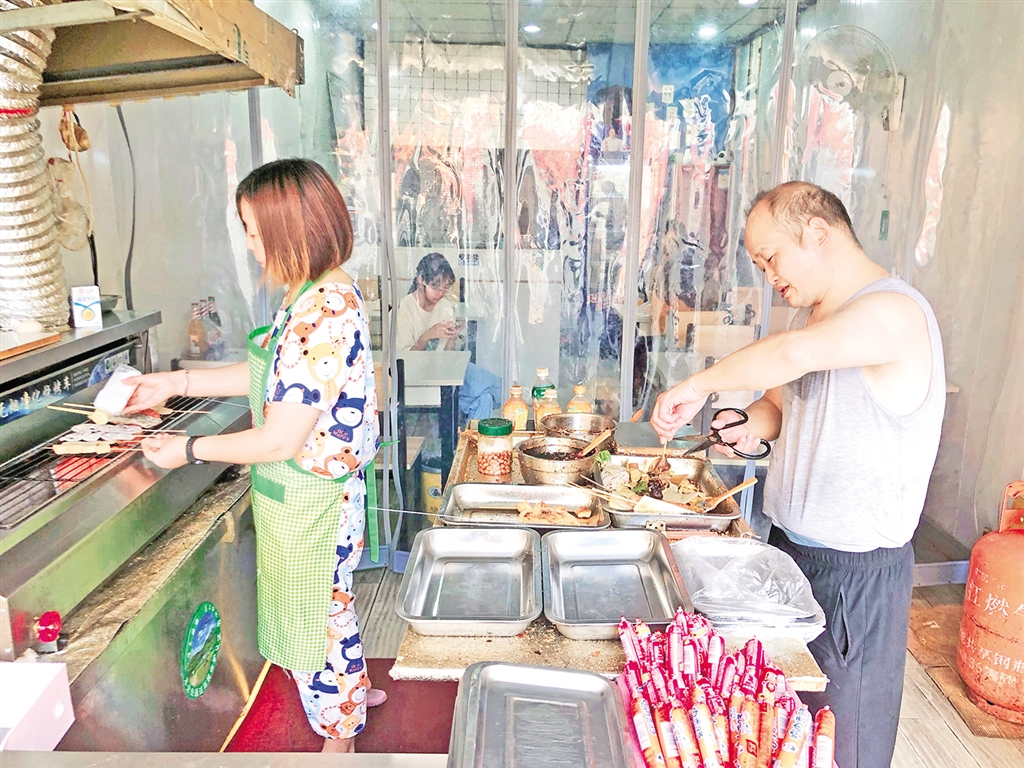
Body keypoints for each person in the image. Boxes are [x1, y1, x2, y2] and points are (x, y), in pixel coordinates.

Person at [651, 181, 945, 768]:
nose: (768, 277)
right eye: (760, 266)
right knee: (780, 731)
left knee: (843, 739)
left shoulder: (894, 311)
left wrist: (696, 386)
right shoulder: (816, 317)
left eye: (771, 259)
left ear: (816, 232)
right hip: (790, 553)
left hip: (854, 575)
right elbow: (780, 405)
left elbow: (790, 356)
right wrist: (750, 425)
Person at [124, 159, 385, 754]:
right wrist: (174, 384)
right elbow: (269, 376)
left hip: (316, 496)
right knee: (329, 603)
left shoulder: (324, 311)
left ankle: (340, 737)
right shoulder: (313, 291)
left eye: (252, 228)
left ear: (290, 229)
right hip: (309, 490)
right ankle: (352, 686)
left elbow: (277, 440)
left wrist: (188, 449)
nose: (248, 242)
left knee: (319, 616)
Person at [396, 252, 501, 421]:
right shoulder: (404, 310)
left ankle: (472, 438)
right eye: (436, 286)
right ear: (421, 280)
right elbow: (405, 364)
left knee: (485, 398)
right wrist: (427, 336)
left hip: (443, 372)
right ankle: (513, 392)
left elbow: (448, 356)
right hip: (419, 376)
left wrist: (452, 338)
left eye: (445, 287)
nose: (441, 293)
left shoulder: (445, 306)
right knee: (492, 389)